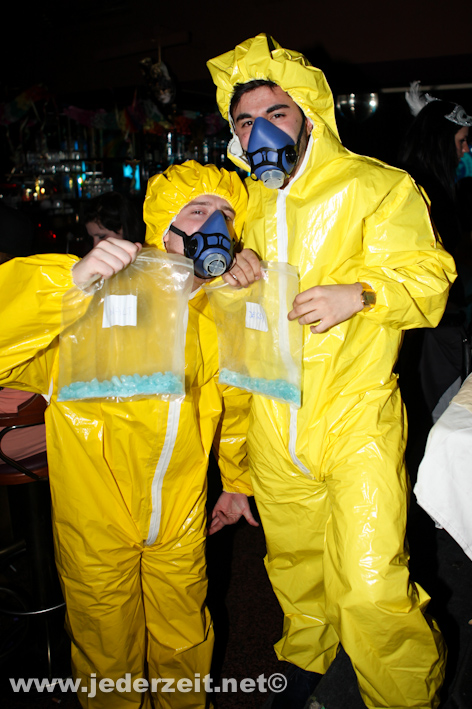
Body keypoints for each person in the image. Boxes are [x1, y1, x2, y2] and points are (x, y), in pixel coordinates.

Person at [207, 34, 456, 709]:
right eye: (243, 121)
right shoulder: (242, 206)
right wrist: (228, 266)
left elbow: (431, 278)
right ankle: (305, 655)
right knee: (295, 567)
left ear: (309, 115)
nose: (259, 131)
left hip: (354, 419)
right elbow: (217, 313)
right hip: (274, 422)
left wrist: (364, 294)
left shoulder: (376, 186)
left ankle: (405, 698)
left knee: (373, 583)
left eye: (276, 113)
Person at [0, 161, 258, 708]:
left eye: (227, 213)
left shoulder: (214, 310)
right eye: (197, 210)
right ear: (163, 223)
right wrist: (66, 284)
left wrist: (237, 480)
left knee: (184, 638)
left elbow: (234, 400)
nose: (215, 223)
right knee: (107, 653)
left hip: (180, 517)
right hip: (97, 522)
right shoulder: (92, 300)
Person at [396, 86, 472, 427]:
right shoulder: (417, 190)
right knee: (441, 419)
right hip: (426, 331)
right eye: (461, 141)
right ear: (440, 142)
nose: (466, 150)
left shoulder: (438, 187)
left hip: (438, 327)